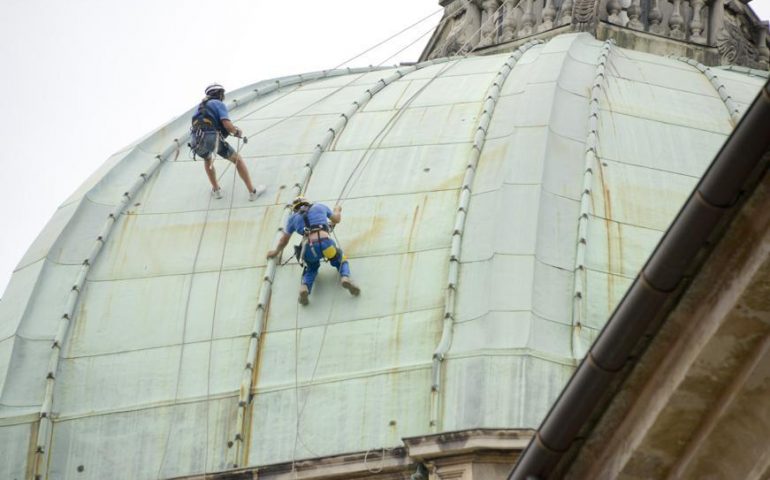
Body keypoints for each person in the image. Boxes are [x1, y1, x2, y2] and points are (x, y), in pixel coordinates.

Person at [267, 197, 361, 305]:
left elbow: (283, 240)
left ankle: (305, 287)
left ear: (294, 209)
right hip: (326, 244)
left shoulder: (292, 218)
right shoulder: (319, 206)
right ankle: (345, 277)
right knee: (340, 259)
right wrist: (337, 209)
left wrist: (275, 252)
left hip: (308, 249)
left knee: (311, 268)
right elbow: (336, 219)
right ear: (307, 202)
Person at [190, 83, 265, 200]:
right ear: (219, 94)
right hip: (210, 137)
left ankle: (216, 190)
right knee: (238, 160)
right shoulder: (218, 104)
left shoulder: (199, 108)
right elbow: (227, 125)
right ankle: (252, 192)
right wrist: (236, 132)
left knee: (207, 159)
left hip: (195, 141)